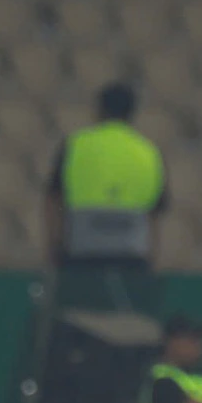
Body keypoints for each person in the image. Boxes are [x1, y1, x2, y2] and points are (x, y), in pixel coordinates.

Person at [42, 82, 167, 270]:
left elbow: (53, 200)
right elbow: (154, 216)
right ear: (131, 113)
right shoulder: (149, 152)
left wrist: (53, 248)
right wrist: (151, 263)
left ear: (99, 110)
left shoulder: (76, 145)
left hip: (81, 254)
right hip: (131, 257)